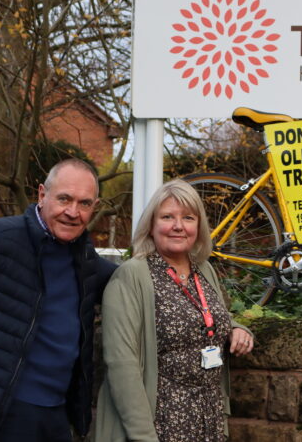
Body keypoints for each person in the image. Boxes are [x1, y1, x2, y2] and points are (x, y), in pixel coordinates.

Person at [0, 158, 117, 442]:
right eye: (64, 198)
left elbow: (132, 284)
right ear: (42, 194)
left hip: (59, 415)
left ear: (95, 207)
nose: (73, 212)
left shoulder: (85, 259)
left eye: (84, 203)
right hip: (2, 413)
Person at [94, 179, 254, 442]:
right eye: (167, 217)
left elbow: (207, 318)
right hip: (160, 424)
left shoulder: (203, 270)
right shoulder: (132, 276)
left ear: (198, 226)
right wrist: (144, 436)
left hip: (208, 421)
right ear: (152, 225)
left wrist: (236, 329)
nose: (178, 226)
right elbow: (122, 364)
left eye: (188, 218)